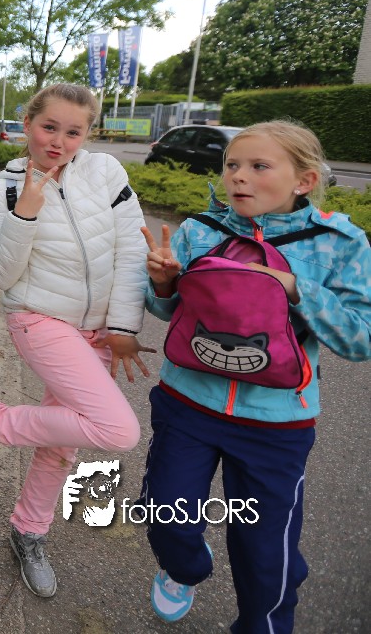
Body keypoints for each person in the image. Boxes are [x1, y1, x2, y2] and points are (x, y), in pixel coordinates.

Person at [139, 120, 371, 630]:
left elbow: (360, 339)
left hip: (277, 425)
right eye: (232, 165)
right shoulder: (201, 231)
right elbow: (167, 312)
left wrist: (295, 287)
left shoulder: (339, 243)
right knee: (166, 513)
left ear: (304, 180)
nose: (238, 177)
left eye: (259, 166)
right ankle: (183, 568)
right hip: (186, 405)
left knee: (266, 552)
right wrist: (162, 283)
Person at [0, 82, 150, 598]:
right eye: (49, 127)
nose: (58, 141)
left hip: (97, 330)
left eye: (73, 132)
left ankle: (28, 531)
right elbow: (0, 275)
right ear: (28, 124)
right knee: (118, 429)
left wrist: (123, 328)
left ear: (87, 134)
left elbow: (131, 251)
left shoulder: (107, 173)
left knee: (61, 443)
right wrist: (26, 213)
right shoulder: (4, 190)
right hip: (39, 319)